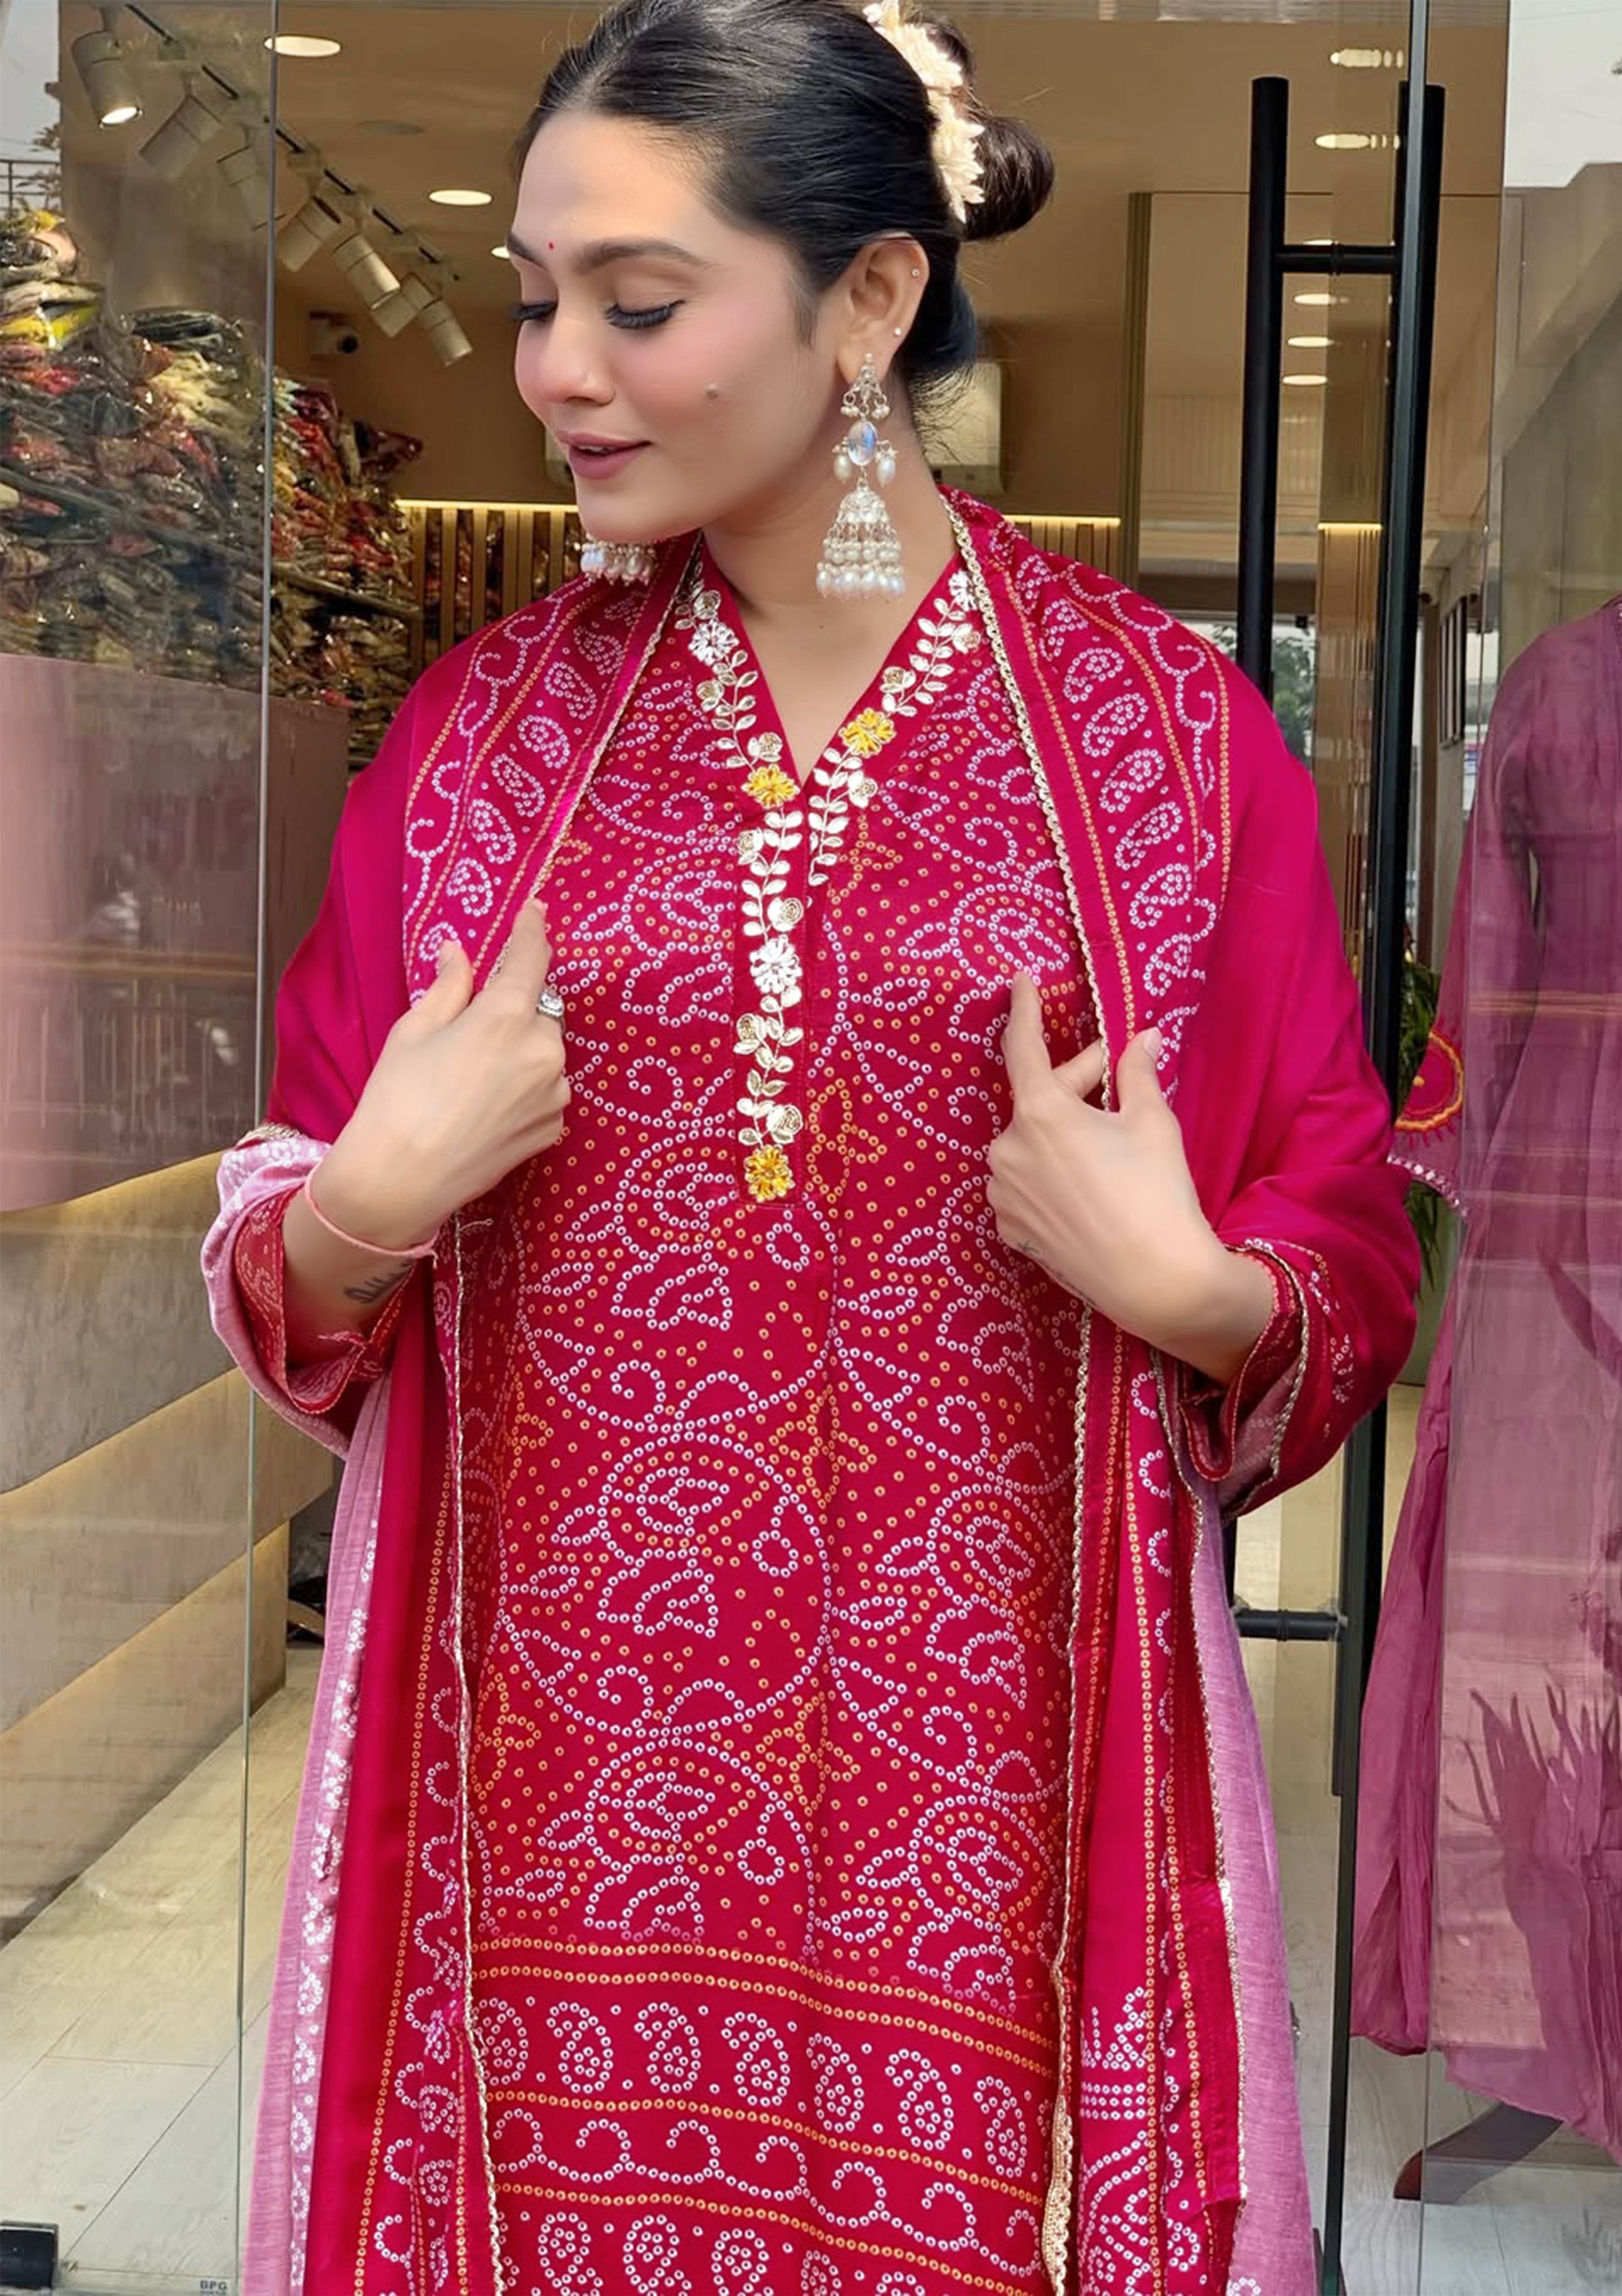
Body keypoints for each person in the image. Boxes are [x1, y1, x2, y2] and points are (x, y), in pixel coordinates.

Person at [205, 1, 1417, 2289]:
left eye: (638, 306)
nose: (558, 368)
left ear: (867, 299)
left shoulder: (1158, 744)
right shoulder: (485, 743)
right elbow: (296, 1249)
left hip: (994, 1785)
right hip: (544, 1796)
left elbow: (1337, 1231)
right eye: (539, 301)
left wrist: (1190, 1295)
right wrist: (370, 1203)